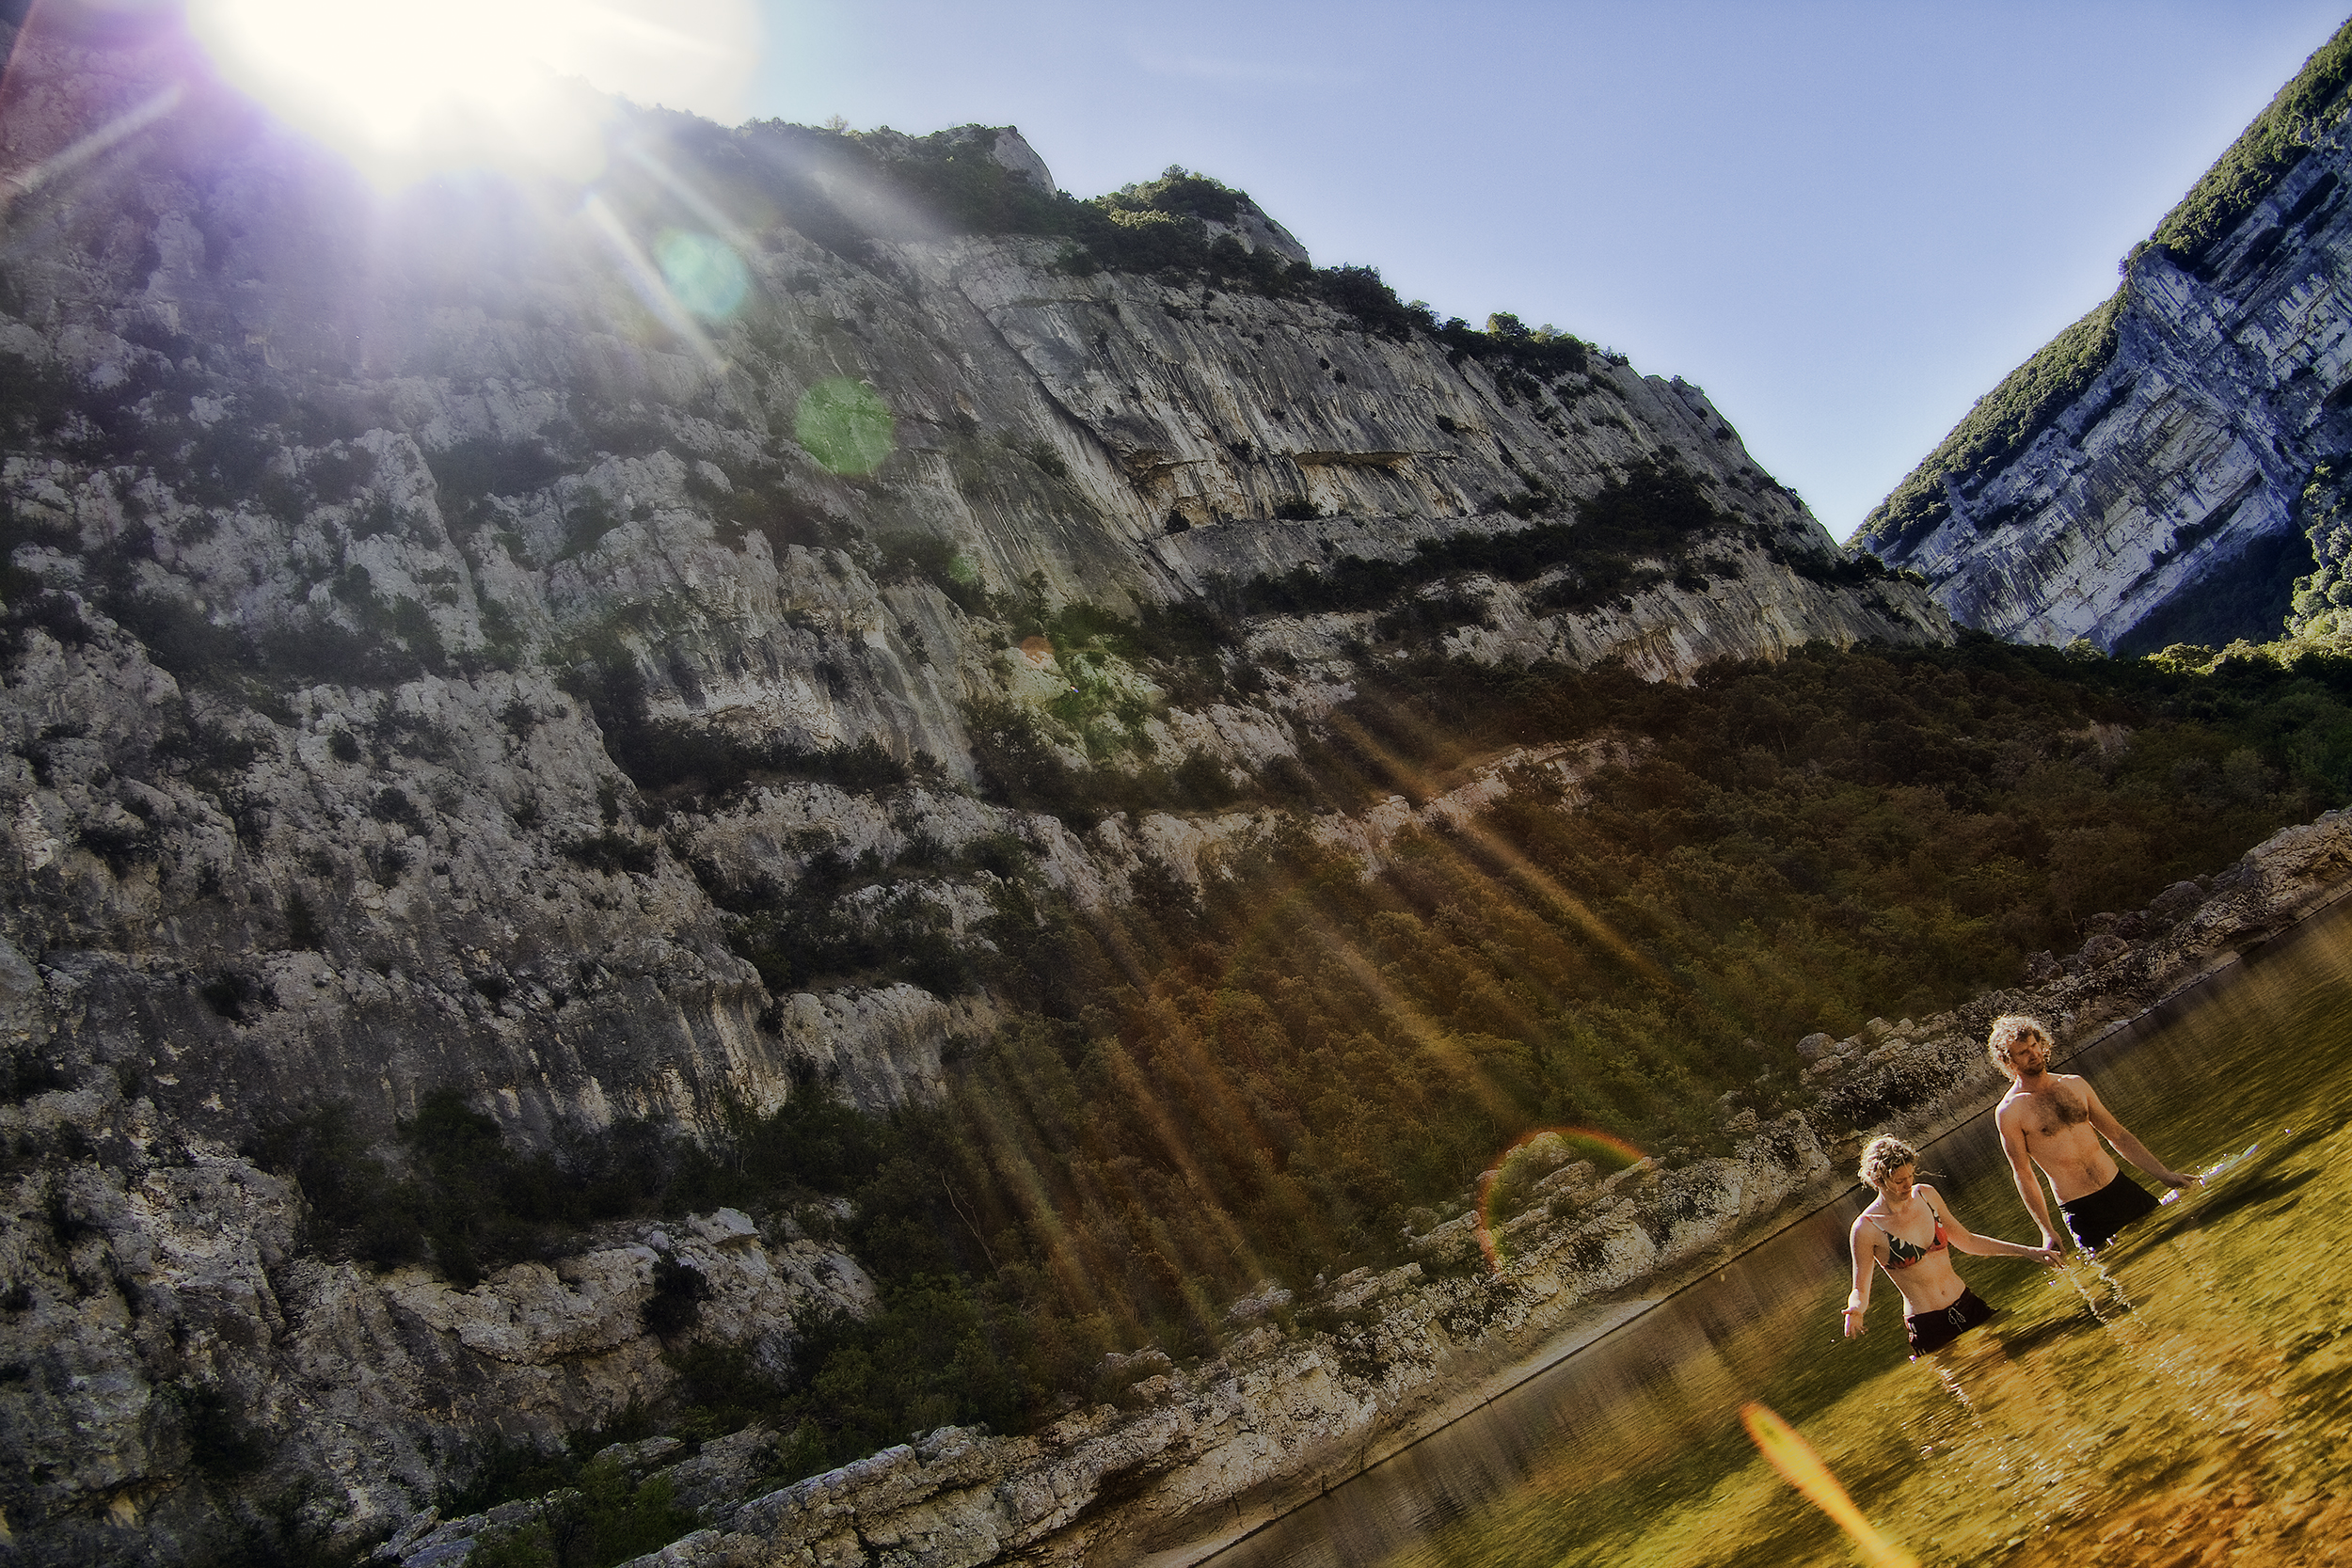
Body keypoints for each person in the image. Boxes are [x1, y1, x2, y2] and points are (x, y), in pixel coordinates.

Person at [1989, 1013, 2197, 1254]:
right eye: (2023, 1052)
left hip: (2120, 1188)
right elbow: (2023, 1174)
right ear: (2008, 1061)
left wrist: (2165, 1175)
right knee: (2119, 1282)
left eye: (2035, 1045)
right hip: (2082, 1209)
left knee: (2177, 1252)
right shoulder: (2010, 1111)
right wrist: (2046, 1229)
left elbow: (2118, 1135)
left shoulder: (2074, 1084)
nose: (2033, 1053)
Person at [1843, 1134, 2058, 1356]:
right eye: (1899, 1181)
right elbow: (1859, 1289)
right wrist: (1856, 1310)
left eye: (1910, 1175)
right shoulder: (1866, 1228)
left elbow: (1967, 1241)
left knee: (2027, 1361)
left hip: (1967, 1304)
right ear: (1877, 1180)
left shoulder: (1926, 1195)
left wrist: (2028, 1251)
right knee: (1965, 1389)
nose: (1908, 1184)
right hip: (1928, 1324)